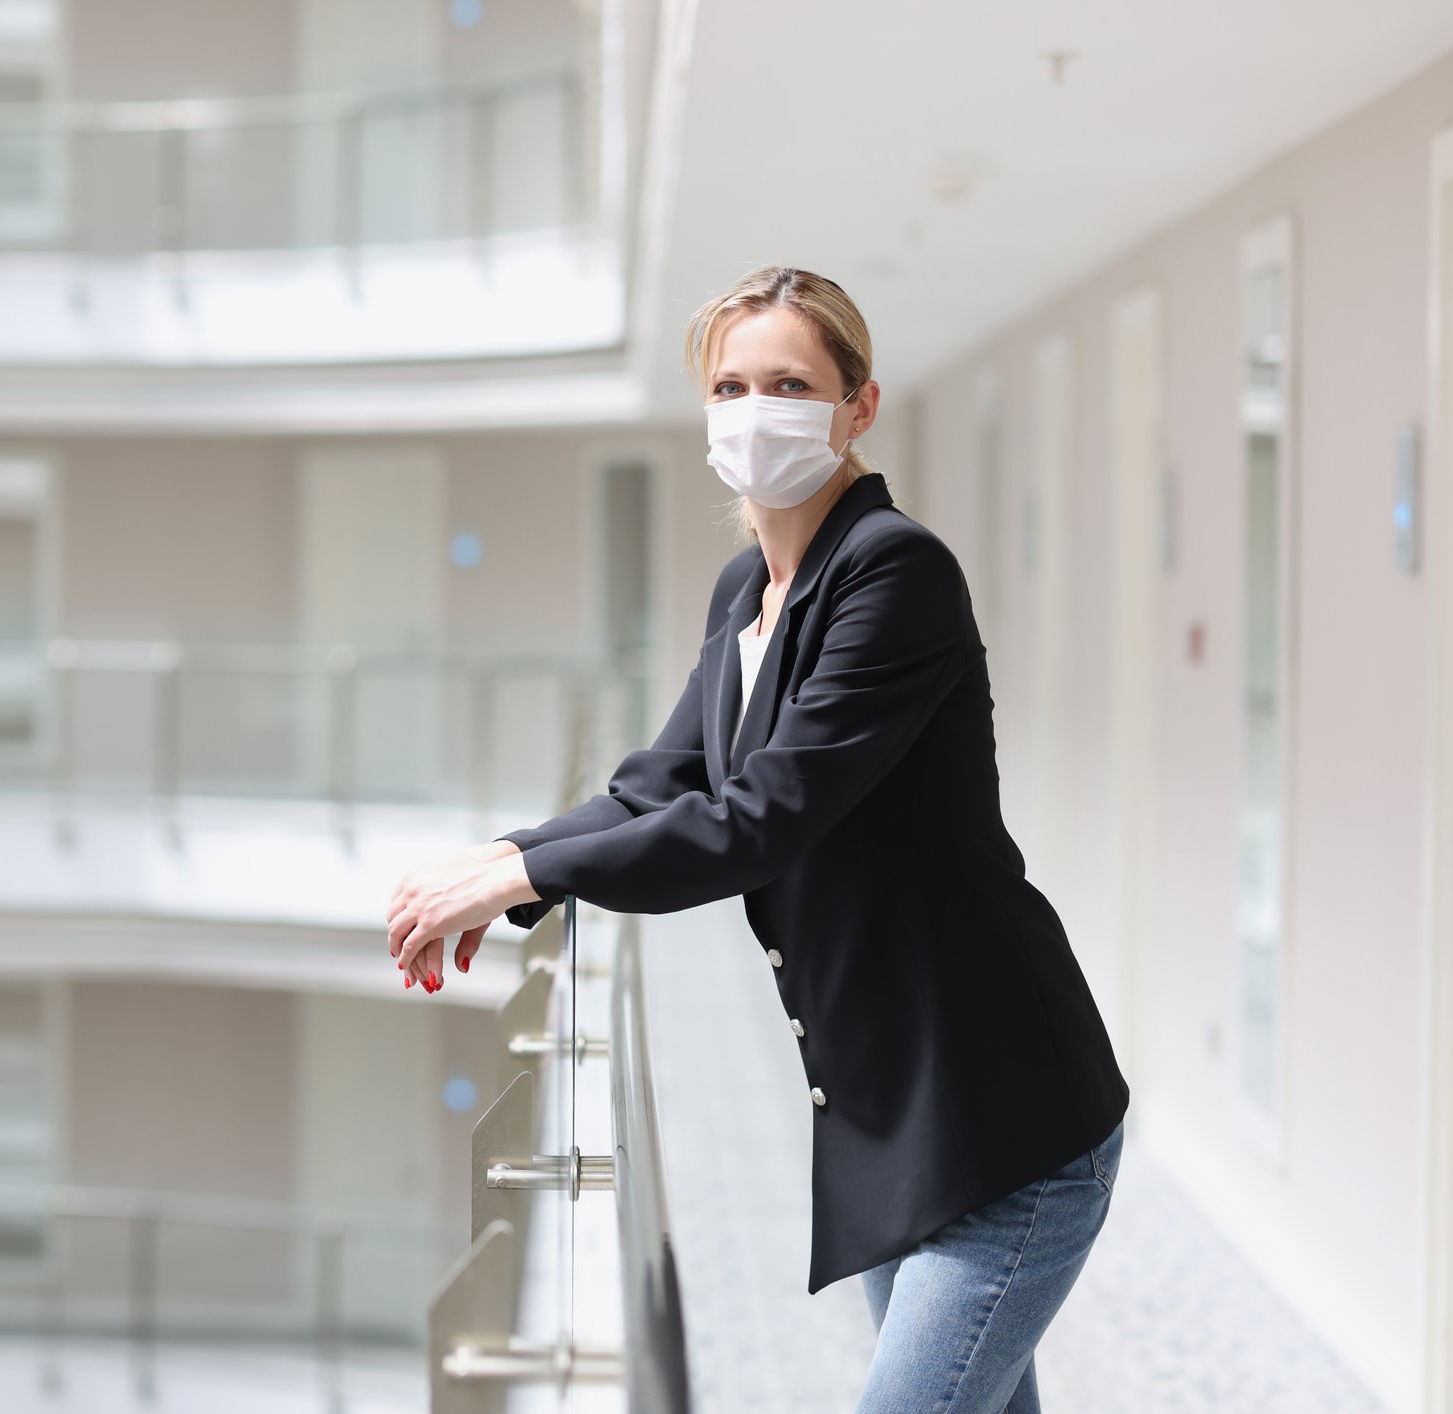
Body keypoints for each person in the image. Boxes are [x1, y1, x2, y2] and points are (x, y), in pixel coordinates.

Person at [383, 265, 1130, 1412]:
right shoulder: (749, 588)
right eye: (727, 385)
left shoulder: (892, 571)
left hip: (1004, 1118)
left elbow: (757, 821)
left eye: (788, 382)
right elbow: (661, 782)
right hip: (899, 1117)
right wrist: (502, 866)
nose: (752, 410)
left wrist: (525, 874)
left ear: (857, 407)